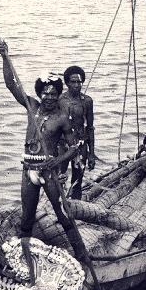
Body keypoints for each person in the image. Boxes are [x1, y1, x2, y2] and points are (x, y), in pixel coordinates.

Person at [0, 40, 84, 263]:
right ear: (40, 93)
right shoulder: (32, 107)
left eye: (54, 94)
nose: (50, 97)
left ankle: (81, 255)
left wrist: (57, 162)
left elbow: (75, 148)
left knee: (62, 212)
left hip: (49, 170)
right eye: (46, 93)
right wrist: (5, 58)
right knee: (27, 217)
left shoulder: (62, 118)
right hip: (29, 169)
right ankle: (26, 260)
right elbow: (11, 85)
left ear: (58, 95)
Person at [58, 66, 96, 199]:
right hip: (63, 145)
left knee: (77, 181)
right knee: (59, 178)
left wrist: (91, 153)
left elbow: (90, 127)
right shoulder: (60, 100)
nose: (76, 85)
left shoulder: (87, 101)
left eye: (79, 82)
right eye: (73, 82)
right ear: (67, 83)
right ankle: (58, 208)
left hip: (81, 145)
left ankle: (76, 208)